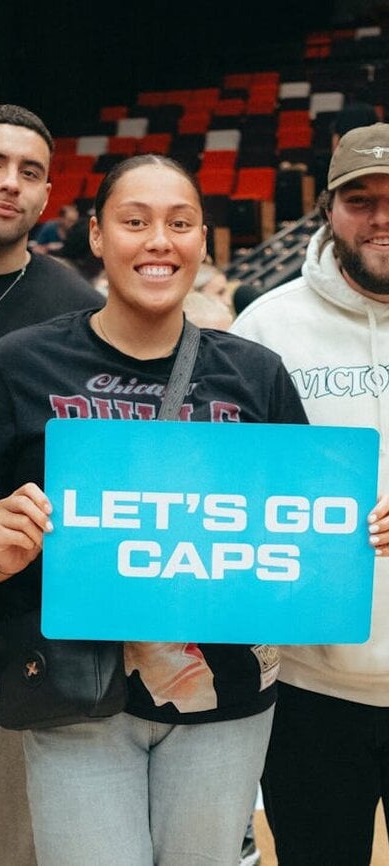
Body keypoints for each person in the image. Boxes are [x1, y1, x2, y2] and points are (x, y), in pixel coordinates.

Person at [0, 153, 308, 866]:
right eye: (135, 222)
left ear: (202, 240)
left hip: (225, 702)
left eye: (180, 222)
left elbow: (302, 527)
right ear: (97, 235)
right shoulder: (18, 365)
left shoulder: (257, 374)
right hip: (74, 696)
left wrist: (354, 533)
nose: (159, 240)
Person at [231, 122, 389, 866]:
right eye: (361, 199)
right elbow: (230, 489)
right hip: (309, 691)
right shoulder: (266, 326)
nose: (380, 216)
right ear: (328, 209)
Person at [0, 102, 104, 866]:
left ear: (49, 194)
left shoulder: (79, 310)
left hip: (10, 628)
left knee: (9, 842)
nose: (9, 184)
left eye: (29, 171)